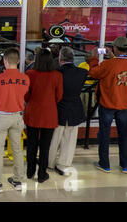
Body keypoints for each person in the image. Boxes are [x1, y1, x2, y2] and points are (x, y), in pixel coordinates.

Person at [89, 37, 127, 173]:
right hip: (124, 104)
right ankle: (125, 165)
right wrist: (113, 58)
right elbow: (120, 68)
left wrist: (93, 58)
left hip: (108, 104)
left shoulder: (109, 64)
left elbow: (94, 73)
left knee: (104, 134)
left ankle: (105, 164)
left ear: (115, 48)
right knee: (124, 136)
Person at [0, 48, 30, 192]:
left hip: (1, 117)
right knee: (17, 150)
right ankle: (18, 181)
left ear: (4, 61)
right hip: (17, 117)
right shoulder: (25, 79)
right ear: (18, 61)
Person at [24, 49, 63, 183]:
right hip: (49, 115)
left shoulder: (29, 74)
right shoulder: (57, 75)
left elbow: (26, 95)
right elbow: (59, 97)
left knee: (31, 145)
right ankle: (42, 174)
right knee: (45, 146)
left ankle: (29, 172)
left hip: (32, 113)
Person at [48, 47, 88, 175]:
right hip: (74, 109)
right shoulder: (82, 72)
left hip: (58, 109)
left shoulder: (55, 73)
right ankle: (63, 164)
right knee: (69, 140)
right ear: (73, 58)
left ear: (60, 59)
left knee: (54, 138)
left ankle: (50, 162)